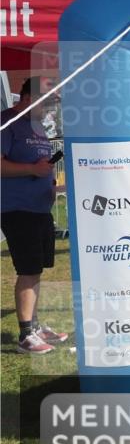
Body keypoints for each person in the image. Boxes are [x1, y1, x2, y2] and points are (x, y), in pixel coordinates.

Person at [1, 77, 68, 354]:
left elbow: (43, 164)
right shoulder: (6, 122)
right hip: (16, 208)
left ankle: (35, 325)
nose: (50, 108)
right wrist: (32, 170)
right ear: (28, 98)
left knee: (36, 270)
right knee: (28, 270)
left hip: (40, 207)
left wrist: (50, 184)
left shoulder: (38, 127)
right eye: (48, 101)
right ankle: (26, 335)